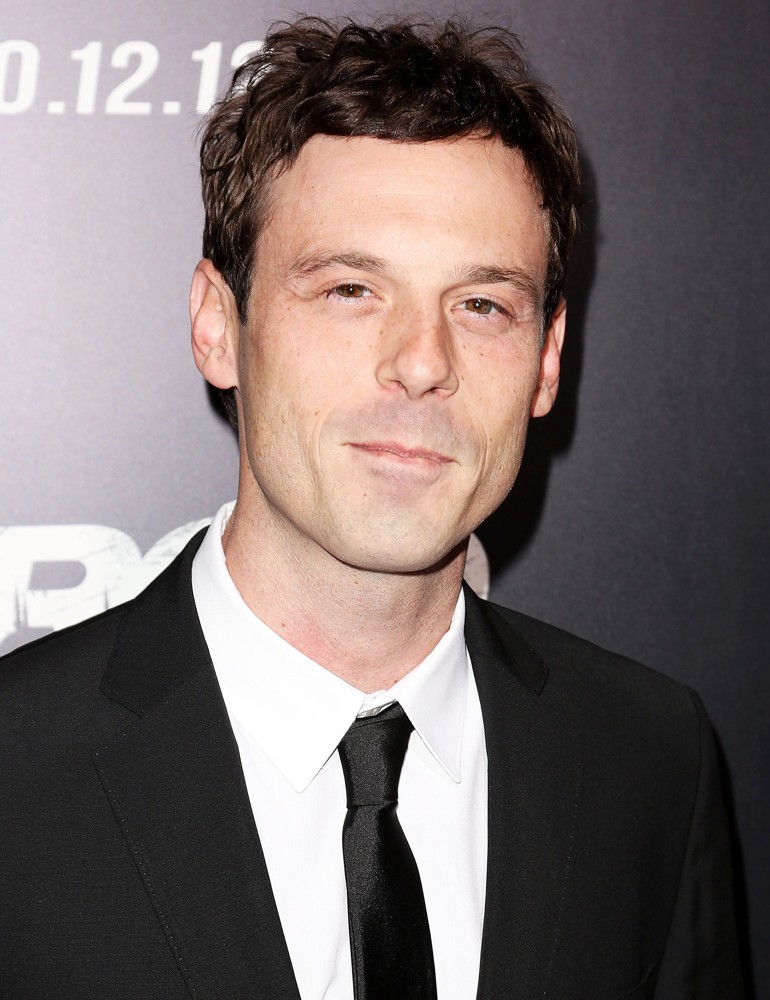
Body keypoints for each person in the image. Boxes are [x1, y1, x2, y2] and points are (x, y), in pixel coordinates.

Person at [0, 15, 744, 1000]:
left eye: (482, 304)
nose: (422, 362)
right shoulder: (15, 774)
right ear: (217, 325)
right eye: (351, 289)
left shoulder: (649, 761)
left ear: (546, 361)